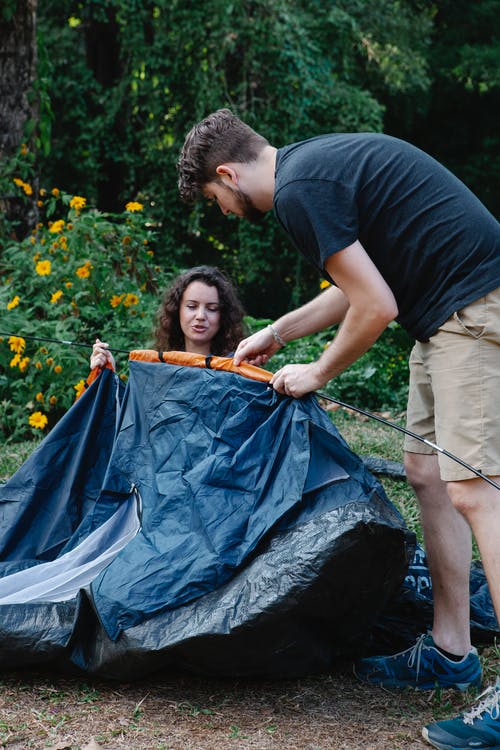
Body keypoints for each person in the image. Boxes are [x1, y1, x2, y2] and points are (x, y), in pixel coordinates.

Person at [177, 108, 500, 750]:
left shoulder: (299, 193)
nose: (225, 212)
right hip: (443, 317)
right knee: (427, 473)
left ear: (226, 174)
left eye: (216, 201)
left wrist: (317, 372)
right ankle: (451, 649)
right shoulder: (309, 168)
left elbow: (375, 307)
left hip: (475, 304)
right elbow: (356, 285)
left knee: (475, 490)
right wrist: (275, 334)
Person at [90, 265, 246, 369]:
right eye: (192, 306)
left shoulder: (238, 370)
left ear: (223, 315)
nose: (200, 316)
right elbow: (131, 415)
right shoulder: (156, 370)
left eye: (212, 309)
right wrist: (108, 373)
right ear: (177, 310)